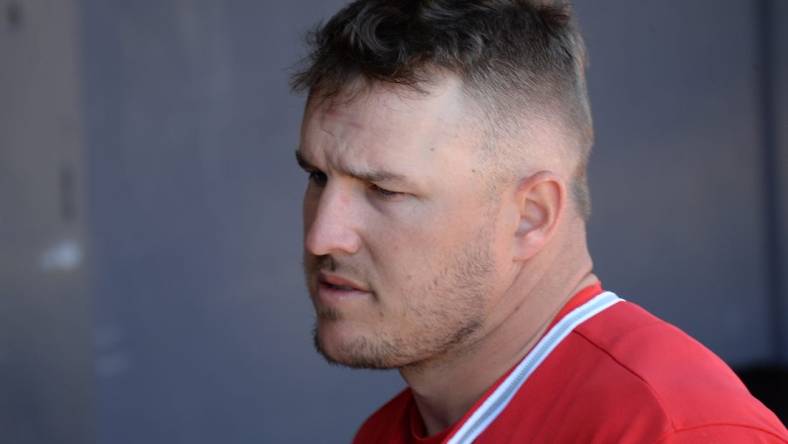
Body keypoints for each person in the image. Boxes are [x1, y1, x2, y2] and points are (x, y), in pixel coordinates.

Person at [291, 0, 788, 442]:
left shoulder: (675, 428)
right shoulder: (381, 434)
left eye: (384, 190)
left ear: (529, 217)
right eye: (317, 175)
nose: (322, 237)